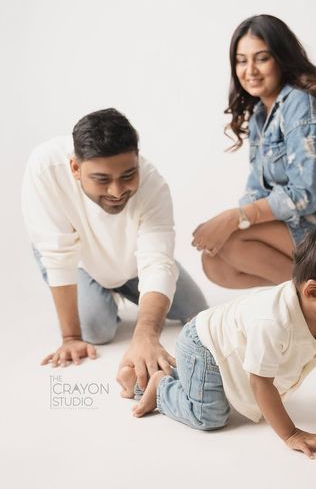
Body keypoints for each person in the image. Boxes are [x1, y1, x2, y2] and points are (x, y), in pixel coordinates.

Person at [130, 223, 316, 459]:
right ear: (313, 292)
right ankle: (160, 387)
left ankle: (183, 377)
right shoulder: (274, 322)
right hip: (204, 345)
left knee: (227, 398)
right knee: (210, 416)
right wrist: (291, 434)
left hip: (228, 350)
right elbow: (261, 382)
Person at [21, 108, 208, 396]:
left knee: (197, 310)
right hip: (79, 260)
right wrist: (70, 338)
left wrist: (146, 335)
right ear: (75, 168)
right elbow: (57, 254)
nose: (117, 190)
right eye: (102, 179)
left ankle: (126, 284)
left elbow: (156, 261)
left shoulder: (153, 184)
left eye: (128, 175)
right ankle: (99, 288)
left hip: (131, 258)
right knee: (97, 332)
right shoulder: (45, 168)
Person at [192, 14, 316, 289]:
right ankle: (312, 303)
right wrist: (232, 221)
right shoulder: (261, 114)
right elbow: (257, 192)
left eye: (262, 58)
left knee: (234, 241)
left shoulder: (301, 104)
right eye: (241, 60)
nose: (250, 70)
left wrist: (234, 218)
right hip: (312, 224)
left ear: (281, 58)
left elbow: (305, 195)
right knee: (215, 263)